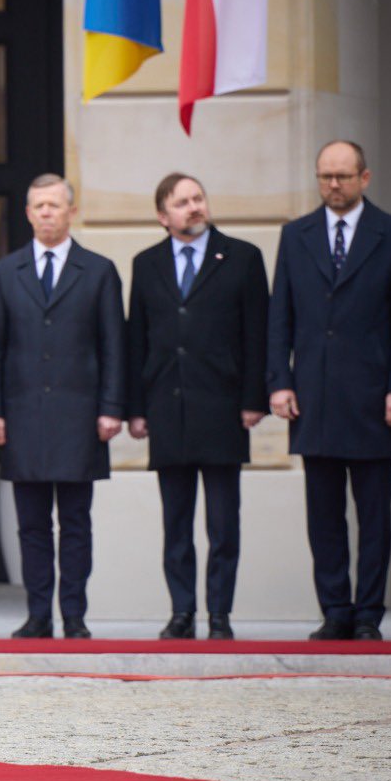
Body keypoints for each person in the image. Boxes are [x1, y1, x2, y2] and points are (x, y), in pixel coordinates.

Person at [268, 141, 391, 641]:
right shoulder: (296, 235)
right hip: (313, 397)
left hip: (375, 399)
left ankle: (368, 614)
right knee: (324, 515)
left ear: (365, 178)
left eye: (342, 176)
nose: (333, 185)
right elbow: (280, 315)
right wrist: (280, 381)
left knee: (374, 516)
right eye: (325, 176)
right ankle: (335, 610)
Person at [126, 174, 269, 641]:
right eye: (182, 202)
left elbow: (257, 334)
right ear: (162, 216)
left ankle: (220, 615)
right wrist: (135, 408)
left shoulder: (242, 257)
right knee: (176, 523)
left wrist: (254, 398)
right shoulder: (146, 263)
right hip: (167, 407)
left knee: (224, 524)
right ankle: (182, 612)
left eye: (198, 198)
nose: (194, 207)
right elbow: (136, 338)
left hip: (223, 406)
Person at [0, 174, 125, 639]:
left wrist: (111, 407)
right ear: (28, 214)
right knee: (32, 525)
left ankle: (75, 615)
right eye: (38, 206)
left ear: (71, 211)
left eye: (54, 205)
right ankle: (38, 614)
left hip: (80, 417)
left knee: (76, 523)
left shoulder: (98, 270)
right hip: (23, 416)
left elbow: (113, 346)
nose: (46, 212)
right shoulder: (7, 272)